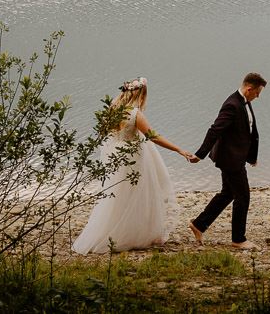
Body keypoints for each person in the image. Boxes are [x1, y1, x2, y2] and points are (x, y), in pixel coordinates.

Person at [72, 77, 196, 254]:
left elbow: (103, 132)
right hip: (133, 158)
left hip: (116, 157)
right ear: (141, 94)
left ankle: (112, 233)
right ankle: (137, 235)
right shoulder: (135, 114)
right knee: (140, 195)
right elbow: (153, 137)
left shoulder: (111, 110)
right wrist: (179, 149)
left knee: (118, 197)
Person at [188, 72, 266, 250]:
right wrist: (200, 154)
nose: (258, 96)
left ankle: (199, 225)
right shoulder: (232, 104)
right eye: (257, 93)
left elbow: (248, 131)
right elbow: (215, 130)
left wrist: (251, 156)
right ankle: (238, 239)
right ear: (249, 89)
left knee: (228, 193)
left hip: (236, 156)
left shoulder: (244, 101)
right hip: (231, 159)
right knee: (243, 196)